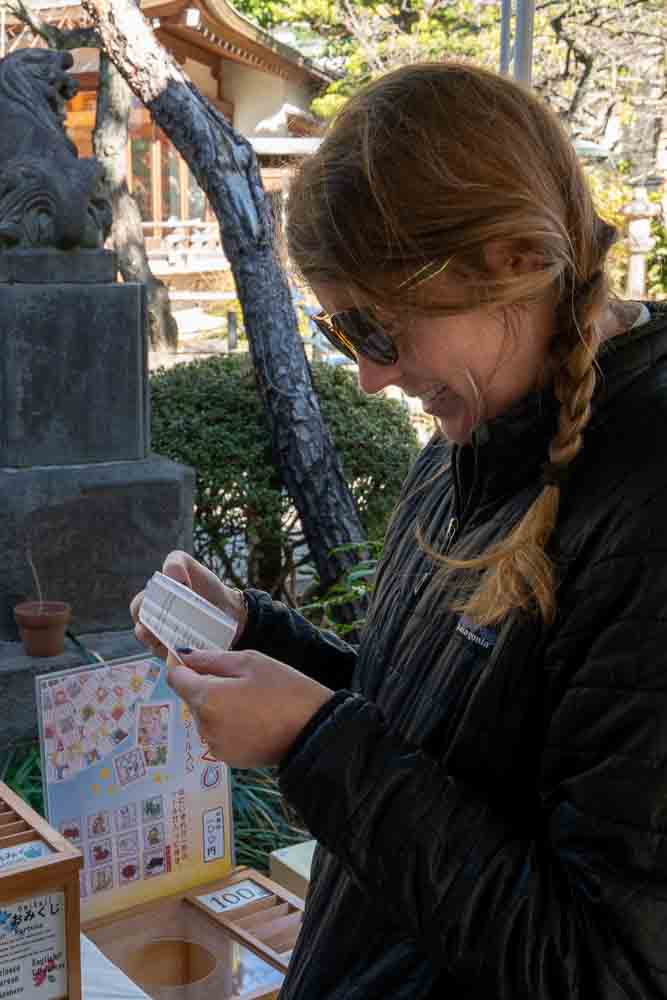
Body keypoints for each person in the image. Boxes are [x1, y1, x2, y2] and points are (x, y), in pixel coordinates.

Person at [132, 61, 667, 998]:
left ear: (510, 257)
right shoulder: (477, 434)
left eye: (378, 332)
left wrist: (315, 743)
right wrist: (263, 640)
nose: (371, 380)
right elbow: (441, 738)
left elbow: (602, 966)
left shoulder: (643, 503)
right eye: (341, 338)